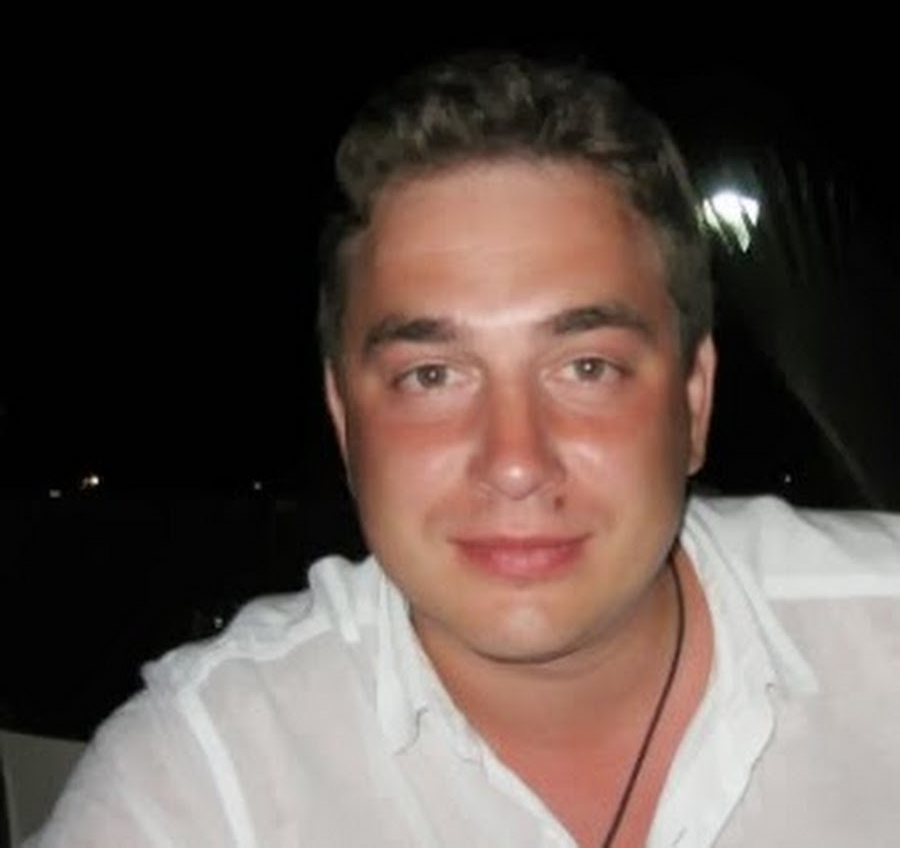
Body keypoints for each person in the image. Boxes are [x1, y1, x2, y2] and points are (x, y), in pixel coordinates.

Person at [30, 52, 900, 847]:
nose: (515, 462)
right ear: (344, 420)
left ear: (693, 401)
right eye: (433, 376)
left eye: (586, 367)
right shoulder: (208, 777)